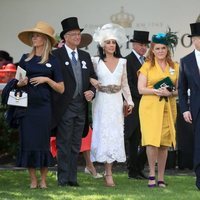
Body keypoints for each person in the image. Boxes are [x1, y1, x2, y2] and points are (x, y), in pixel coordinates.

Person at [16, 21, 64, 189]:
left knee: (42, 143)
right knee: (29, 142)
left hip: (44, 108)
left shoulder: (53, 60)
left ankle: (43, 180)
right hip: (27, 107)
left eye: (37, 36)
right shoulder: (25, 59)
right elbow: (16, 82)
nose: (34, 38)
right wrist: (20, 83)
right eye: (33, 36)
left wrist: (47, 79)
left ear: (45, 40)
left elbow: (61, 88)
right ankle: (33, 180)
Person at [52, 17, 97, 187]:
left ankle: (73, 178)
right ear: (65, 37)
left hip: (81, 106)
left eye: (79, 34)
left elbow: (93, 77)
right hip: (64, 106)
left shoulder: (85, 56)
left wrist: (91, 92)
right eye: (74, 34)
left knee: (76, 144)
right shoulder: (56, 55)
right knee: (64, 143)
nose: (78, 37)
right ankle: (63, 179)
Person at [91, 23, 134, 187]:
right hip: (101, 101)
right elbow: (86, 76)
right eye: (108, 42)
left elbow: (125, 84)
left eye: (113, 42)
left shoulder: (123, 62)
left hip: (116, 102)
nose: (111, 45)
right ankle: (96, 169)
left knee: (114, 135)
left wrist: (129, 102)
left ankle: (109, 173)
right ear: (102, 44)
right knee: (102, 135)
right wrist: (91, 81)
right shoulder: (95, 61)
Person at [138, 29, 179, 188]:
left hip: (168, 107)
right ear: (152, 50)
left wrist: (170, 92)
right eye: (157, 48)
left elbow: (178, 90)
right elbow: (141, 89)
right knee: (151, 141)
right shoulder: (147, 65)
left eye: (163, 48)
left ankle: (161, 177)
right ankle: (151, 175)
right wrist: (156, 91)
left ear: (167, 49)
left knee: (164, 144)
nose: (161, 51)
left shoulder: (175, 66)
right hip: (150, 107)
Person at [124, 30, 150, 180]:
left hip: (147, 105)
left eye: (145, 45)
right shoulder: (127, 60)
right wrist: (144, 92)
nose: (143, 47)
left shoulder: (147, 61)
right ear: (134, 44)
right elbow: (128, 84)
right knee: (133, 138)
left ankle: (138, 167)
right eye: (140, 44)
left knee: (146, 137)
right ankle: (132, 170)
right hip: (134, 103)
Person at [178, 22, 200, 190]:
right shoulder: (186, 61)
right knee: (199, 145)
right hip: (196, 110)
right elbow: (182, 89)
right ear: (193, 40)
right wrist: (184, 109)